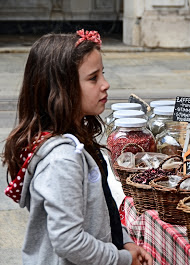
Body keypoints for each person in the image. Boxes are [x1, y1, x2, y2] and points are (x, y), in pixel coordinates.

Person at [2, 30, 153, 265]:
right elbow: (69, 241)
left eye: (102, 74)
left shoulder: (77, 141)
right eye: (93, 78)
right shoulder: (63, 160)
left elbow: (102, 210)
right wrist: (122, 258)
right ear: (62, 89)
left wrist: (124, 241)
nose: (105, 84)